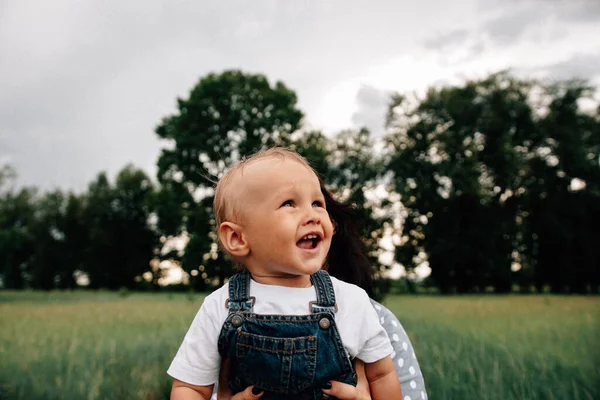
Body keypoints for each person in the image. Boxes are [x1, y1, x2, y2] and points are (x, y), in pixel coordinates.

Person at [167, 148, 403, 399]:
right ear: (237, 238)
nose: (312, 215)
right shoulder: (220, 307)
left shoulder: (351, 301)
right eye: (289, 203)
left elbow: (382, 375)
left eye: (317, 203)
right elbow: (189, 388)